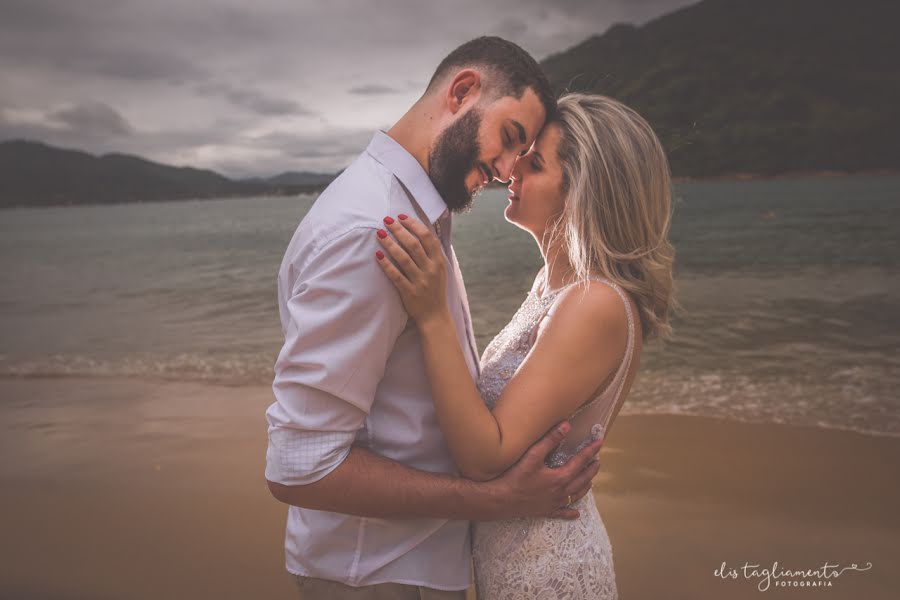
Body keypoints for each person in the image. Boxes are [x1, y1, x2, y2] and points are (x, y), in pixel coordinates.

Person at [264, 38, 605, 600]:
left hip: (398, 566)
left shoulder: (409, 211)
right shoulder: (372, 232)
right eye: (509, 140)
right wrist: (494, 501)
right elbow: (299, 466)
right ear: (463, 91)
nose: (503, 170)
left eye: (520, 157)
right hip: (376, 572)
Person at [375, 93, 678, 599]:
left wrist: (431, 315)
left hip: (547, 574)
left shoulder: (594, 303)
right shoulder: (553, 286)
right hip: (513, 559)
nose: (512, 171)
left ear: (582, 190)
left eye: (534, 163)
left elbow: (484, 456)